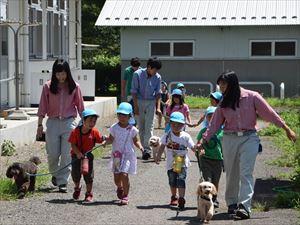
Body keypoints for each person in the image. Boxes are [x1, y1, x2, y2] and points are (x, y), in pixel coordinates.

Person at [199, 71, 297, 220]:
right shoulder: (223, 102)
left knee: (246, 172)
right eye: (220, 85)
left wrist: (286, 128)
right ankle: (232, 203)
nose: (221, 88)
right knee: (232, 173)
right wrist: (203, 141)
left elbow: (269, 113)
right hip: (229, 138)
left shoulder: (252, 97)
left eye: (223, 84)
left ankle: (244, 207)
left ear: (232, 84)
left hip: (249, 137)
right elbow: (214, 124)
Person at [36, 59, 84, 193]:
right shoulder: (47, 86)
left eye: (63, 74)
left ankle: (62, 181)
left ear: (67, 73)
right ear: (54, 74)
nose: (61, 77)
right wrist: (39, 124)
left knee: (66, 154)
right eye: (58, 74)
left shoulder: (75, 87)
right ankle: (55, 174)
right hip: (52, 123)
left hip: (69, 123)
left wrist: (85, 125)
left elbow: (81, 108)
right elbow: (42, 107)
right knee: (52, 154)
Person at [155, 112, 199, 210]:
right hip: (171, 163)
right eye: (174, 124)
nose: (176, 126)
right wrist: (158, 155)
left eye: (179, 124)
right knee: (172, 181)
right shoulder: (167, 135)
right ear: (169, 124)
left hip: (182, 163)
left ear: (183, 125)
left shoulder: (186, 136)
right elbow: (162, 145)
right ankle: (174, 196)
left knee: (181, 180)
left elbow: (192, 146)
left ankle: (182, 198)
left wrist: (198, 151)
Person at [105, 102, 144, 205]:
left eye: (125, 115)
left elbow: (136, 140)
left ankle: (126, 195)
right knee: (117, 178)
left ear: (130, 116)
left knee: (124, 174)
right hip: (117, 155)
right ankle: (119, 187)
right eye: (120, 115)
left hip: (127, 155)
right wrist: (106, 142)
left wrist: (140, 146)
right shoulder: (114, 127)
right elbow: (111, 139)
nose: (122, 117)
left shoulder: (132, 129)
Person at [68, 109, 105, 203]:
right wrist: (77, 153)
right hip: (76, 156)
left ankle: (89, 194)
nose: (92, 123)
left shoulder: (94, 132)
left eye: (94, 121)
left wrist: (104, 141)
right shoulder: (75, 132)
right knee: (75, 175)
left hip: (88, 156)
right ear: (83, 120)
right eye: (90, 121)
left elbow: (100, 139)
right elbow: (72, 144)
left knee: (88, 175)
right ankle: (77, 187)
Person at [131, 57, 162, 160]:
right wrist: (135, 107)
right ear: (149, 67)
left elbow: (158, 94)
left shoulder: (157, 77)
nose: (156, 72)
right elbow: (134, 92)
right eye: (155, 69)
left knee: (149, 126)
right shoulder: (137, 74)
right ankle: (144, 149)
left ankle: (147, 150)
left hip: (151, 102)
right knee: (141, 126)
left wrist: (158, 108)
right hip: (138, 101)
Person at [196, 106, 223, 208]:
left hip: (218, 160)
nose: (211, 118)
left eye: (214, 116)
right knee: (207, 180)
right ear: (206, 117)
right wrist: (198, 147)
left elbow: (224, 146)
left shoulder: (222, 131)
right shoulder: (203, 131)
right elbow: (198, 143)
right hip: (205, 159)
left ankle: (214, 199)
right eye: (209, 116)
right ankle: (207, 199)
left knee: (215, 181)